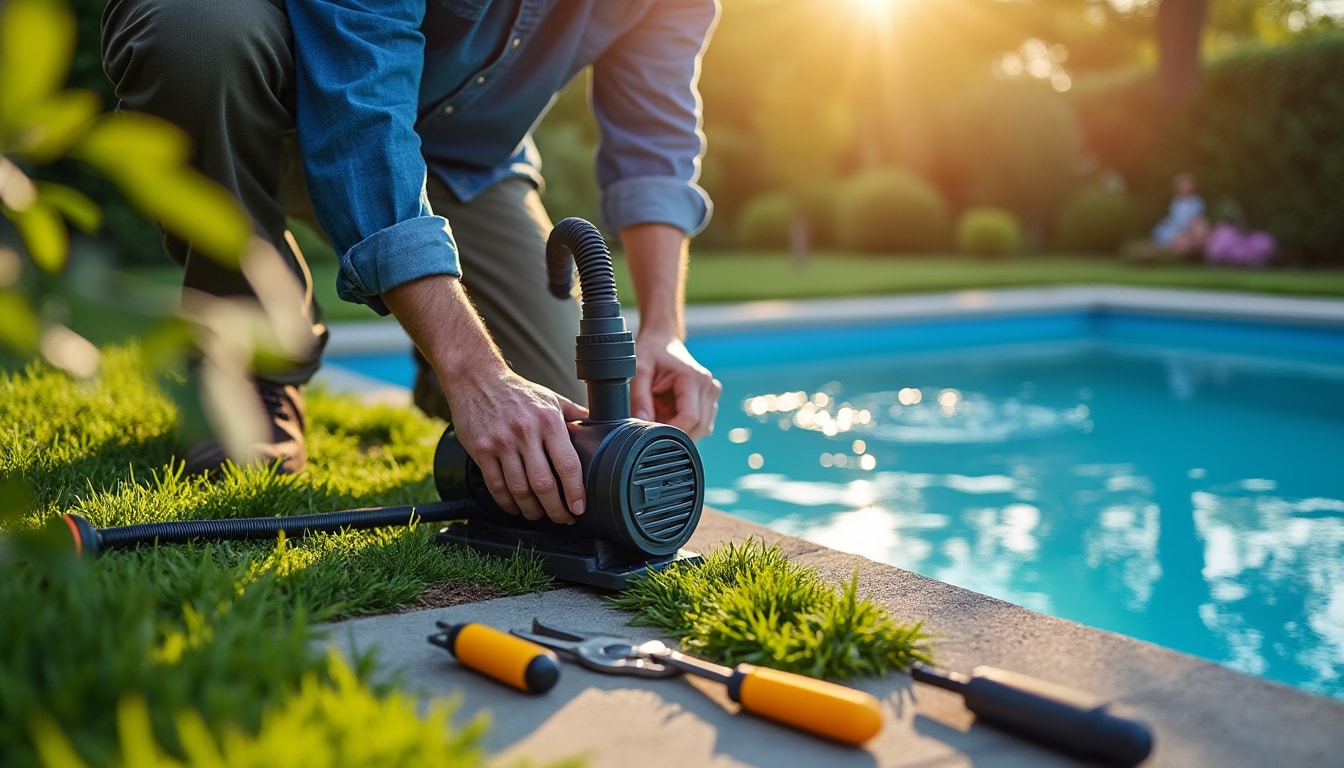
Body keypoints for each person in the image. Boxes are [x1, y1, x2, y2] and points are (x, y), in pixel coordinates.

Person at [100, 0, 724, 527]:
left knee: (568, 435)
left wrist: (663, 331)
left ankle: (442, 370)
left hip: (460, 162)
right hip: (275, 97)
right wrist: (474, 371)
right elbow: (362, 108)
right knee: (195, 31)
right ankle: (252, 356)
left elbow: (654, 150)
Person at [1149, 172, 1208, 257]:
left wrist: (1187, 230)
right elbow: (1173, 216)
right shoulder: (1176, 200)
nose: (1184, 187)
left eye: (1186, 184)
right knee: (1157, 231)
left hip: (1188, 229)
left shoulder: (1196, 201)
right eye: (1182, 185)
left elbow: (1197, 220)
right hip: (1175, 226)